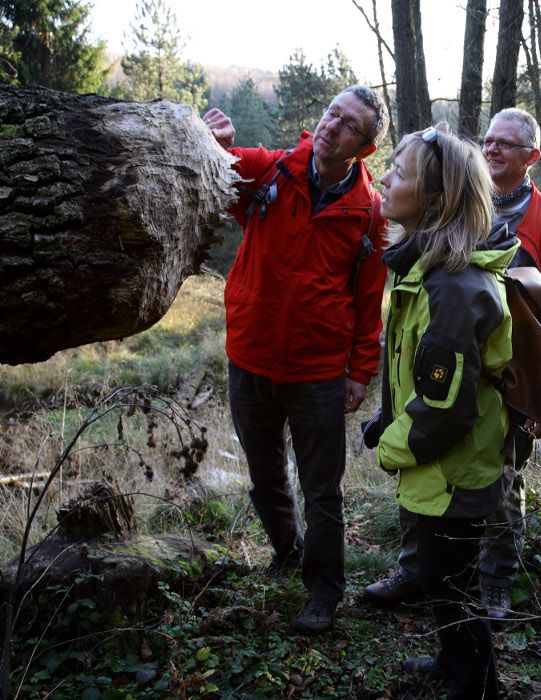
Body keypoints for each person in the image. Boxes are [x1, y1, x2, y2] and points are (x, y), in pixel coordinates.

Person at [362, 107, 541, 621]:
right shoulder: (433, 234)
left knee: (500, 489)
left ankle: (493, 585)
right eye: (488, 140)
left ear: (531, 156)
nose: (493, 149)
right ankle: (417, 570)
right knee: (429, 478)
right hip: (448, 389)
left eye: (507, 144)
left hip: (506, 391)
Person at [202, 86, 389, 634]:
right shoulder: (273, 170)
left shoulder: (369, 214)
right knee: (265, 478)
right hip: (250, 357)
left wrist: (360, 373)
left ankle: (324, 591)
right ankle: (286, 552)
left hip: (318, 372)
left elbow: (369, 301)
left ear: (365, 148)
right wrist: (217, 141)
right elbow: (221, 164)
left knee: (322, 490)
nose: (333, 126)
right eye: (332, 113)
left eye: (350, 125)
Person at [370, 124, 518, 699]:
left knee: (451, 584)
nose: (385, 179)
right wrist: (387, 418)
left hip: (454, 467)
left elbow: (444, 407)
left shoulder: (452, 288)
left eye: (399, 172)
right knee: (444, 577)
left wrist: (392, 448)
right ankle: (453, 663)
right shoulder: (430, 271)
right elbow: (416, 367)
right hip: (442, 465)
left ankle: (476, 687)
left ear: (436, 199)